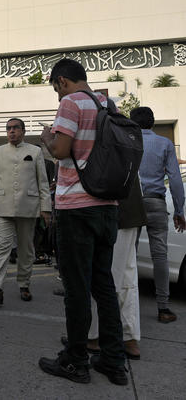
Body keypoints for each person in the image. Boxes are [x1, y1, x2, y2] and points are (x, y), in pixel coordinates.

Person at [39, 58, 127, 386]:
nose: (56, 94)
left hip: (76, 206)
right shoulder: (108, 104)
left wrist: (48, 137)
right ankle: (113, 360)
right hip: (107, 204)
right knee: (103, 284)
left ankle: (76, 360)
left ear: (62, 81)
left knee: (76, 287)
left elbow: (61, 150)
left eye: (55, 88)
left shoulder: (70, 103)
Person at [0, 117, 51, 304]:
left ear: (23, 131)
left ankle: (24, 284)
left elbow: (43, 182)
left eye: (15, 128)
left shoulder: (35, 152)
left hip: (28, 207)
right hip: (2, 206)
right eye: (8, 128)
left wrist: (46, 208)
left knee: (26, 248)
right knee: (2, 246)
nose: (11, 131)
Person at [129, 106, 185, 323]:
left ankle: (129, 306)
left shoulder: (127, 142)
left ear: (132, 123)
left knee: (129, 255)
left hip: (131, 203)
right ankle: (163, 307)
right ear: (152, 123)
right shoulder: (165, 144)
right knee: (160, 255)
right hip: (156, 202)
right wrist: (179, 210)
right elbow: (176, 181)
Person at [86, 175, 146, 359]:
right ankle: (129, 337)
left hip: (109, 205)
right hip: (131, 204)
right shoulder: (133, 143)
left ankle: (94, 335)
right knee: (127, 275)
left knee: (104, 276)